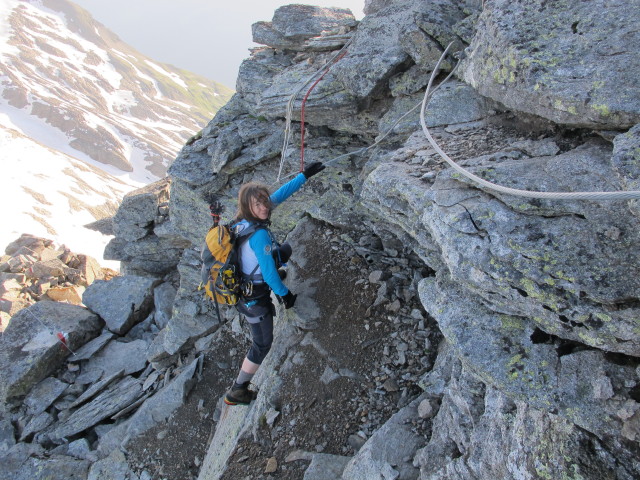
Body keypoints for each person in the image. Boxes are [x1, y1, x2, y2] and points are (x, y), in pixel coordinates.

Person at [224, 161, 326, 405]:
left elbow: (279, 196)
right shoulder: (258, 235)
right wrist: (285, 295)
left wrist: (303, 176)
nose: (264, 208)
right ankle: (237, 390)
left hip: (245, 282)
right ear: (248, 207)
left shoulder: (241, 222)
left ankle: (239, 387)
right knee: (262, 344)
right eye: (257, 204)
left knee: (284, 250)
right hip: (253, 299)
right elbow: (269, 275)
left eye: (264, 202)